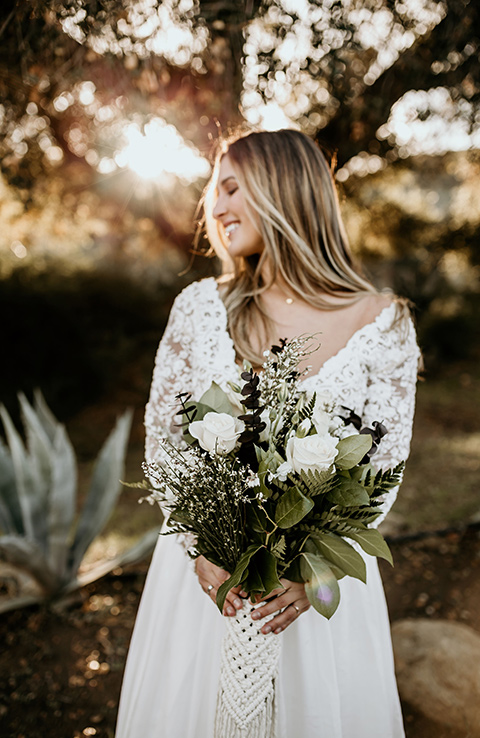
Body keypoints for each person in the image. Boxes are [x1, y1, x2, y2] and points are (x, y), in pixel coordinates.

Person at [115, 129, 420, 738]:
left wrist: (313, 574)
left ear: (286, 190)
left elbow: (384, 468)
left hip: (317, 598)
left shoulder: (382, 321)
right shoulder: (201, 306)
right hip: (204, 586)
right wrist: (199, 549)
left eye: (232, 187)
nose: (216, 206)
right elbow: (164, 443)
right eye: (213, 189)